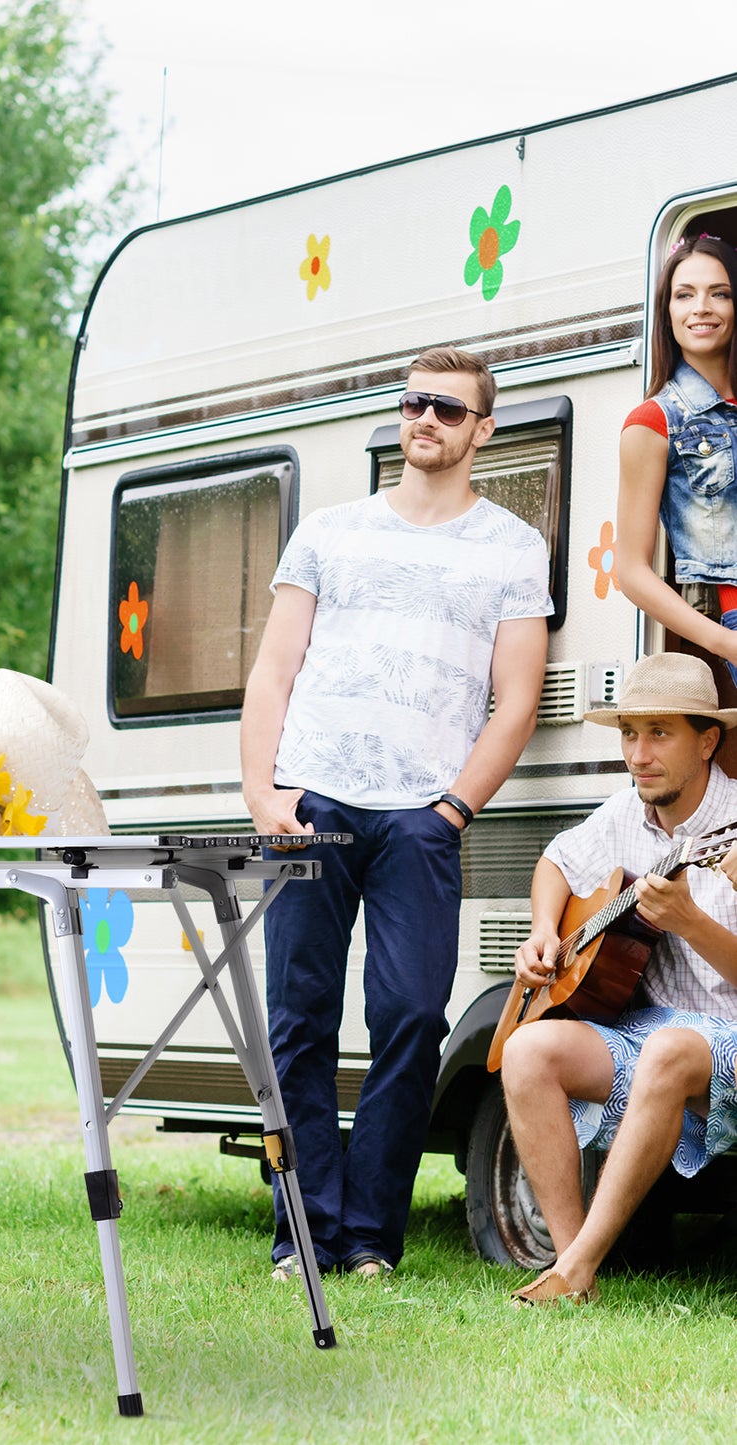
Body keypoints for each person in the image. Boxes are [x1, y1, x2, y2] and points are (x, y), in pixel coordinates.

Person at [241, 345, 552, 1280]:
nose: (426, 420)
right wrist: (264, 791)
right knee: (297, 1018)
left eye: (448, 410)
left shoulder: (510, 546)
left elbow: (517, 699)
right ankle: (305, 1229)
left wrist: (453, 806)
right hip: (314, 798)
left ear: (481, 431)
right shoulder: (330, 532)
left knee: (413, 1016)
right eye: (415, 404)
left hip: (421, 815)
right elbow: (273, 670)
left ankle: (369, 1233)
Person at [502, 652, 737, 1305]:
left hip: (727, 1042)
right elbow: (554, 861)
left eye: (658, 732)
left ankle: (572, 1267)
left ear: (707, 739)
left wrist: (690, 923)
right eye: (628, 733)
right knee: (524, 1050)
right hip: (655, 1035)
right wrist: (544, 930)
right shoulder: (623, 812)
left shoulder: (730, 825)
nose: (637, 753)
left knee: (667, 1049)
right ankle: (574, 1272)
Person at [615, 234, 737, 685]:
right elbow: (631, 572)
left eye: (719, 293)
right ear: (667, 313)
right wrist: (725, 643)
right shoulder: (653, 421)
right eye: (685, 295)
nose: (701, 307)